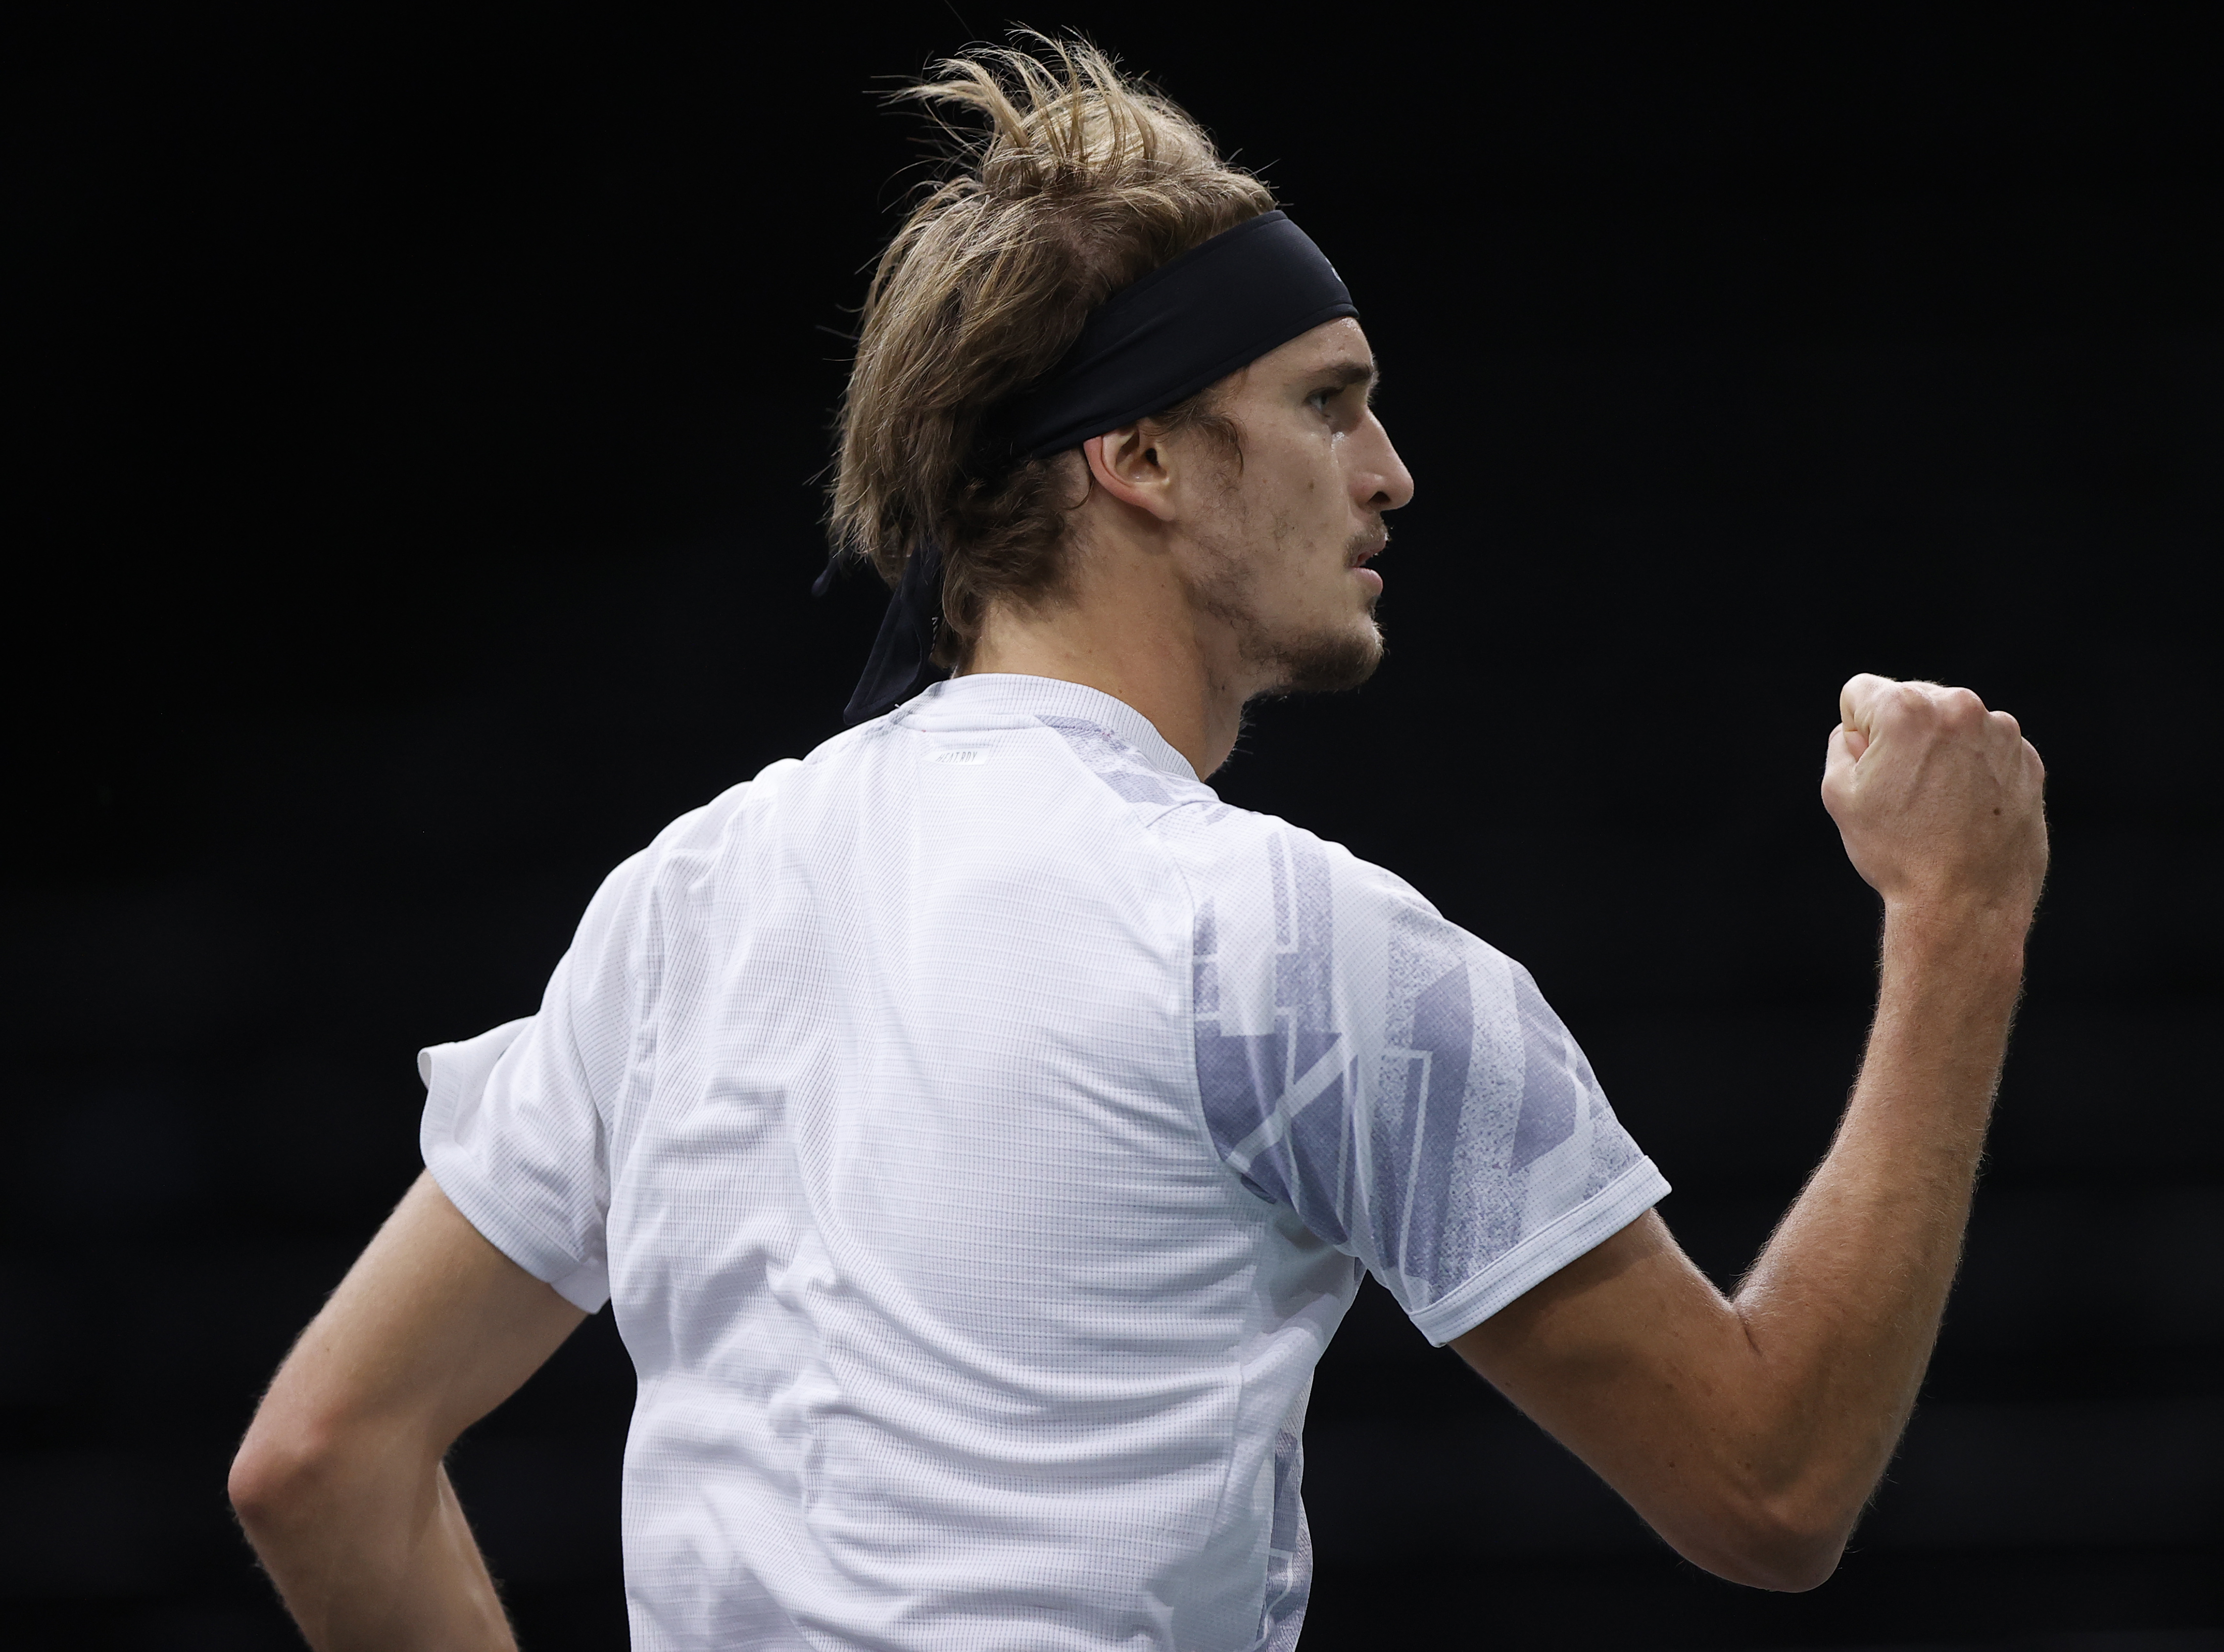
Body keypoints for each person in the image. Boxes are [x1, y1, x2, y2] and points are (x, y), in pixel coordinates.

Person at [228, 36, 2048, 1652]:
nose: (1392, 468)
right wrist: (1958, 916)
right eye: (1327, 401)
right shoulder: (1278, 940)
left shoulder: (684, 898)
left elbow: (323, 1460)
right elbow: (1772, 1483)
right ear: (1144, 459)